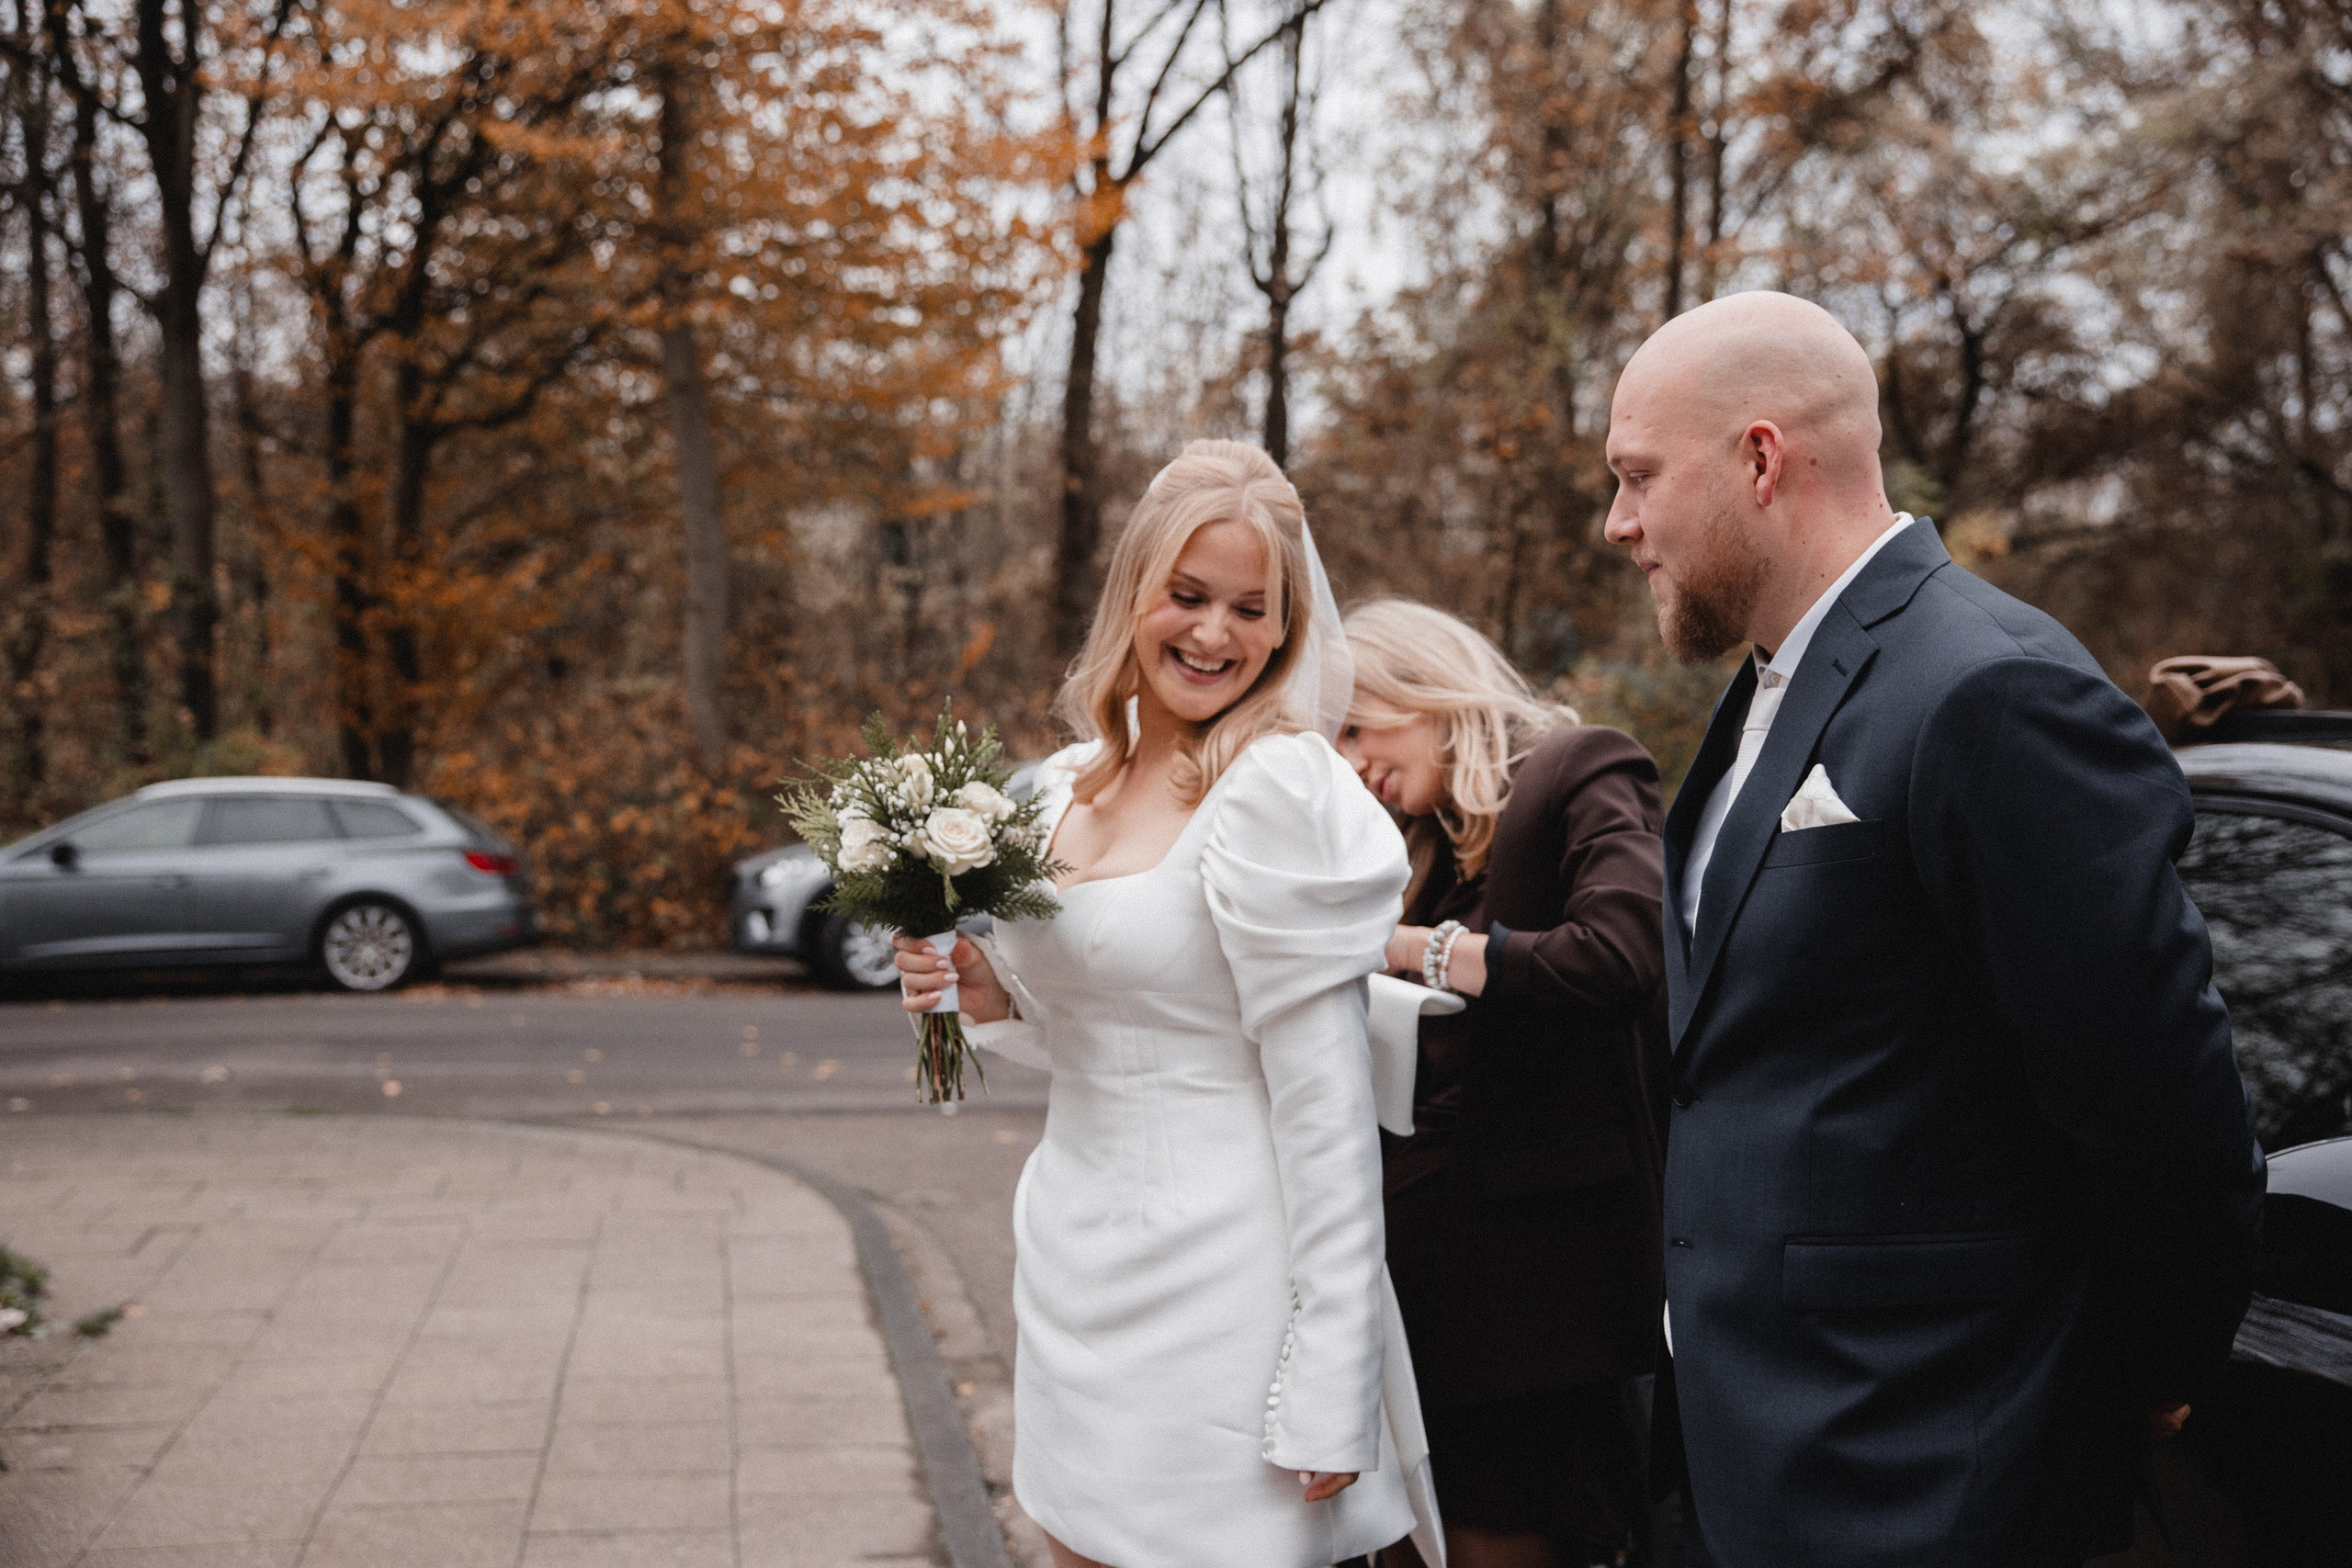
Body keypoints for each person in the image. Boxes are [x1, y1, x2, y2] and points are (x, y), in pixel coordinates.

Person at [1600, 289, 2267, 1567]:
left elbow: (2153, 1096)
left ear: (1759, 459)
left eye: (1637, 476)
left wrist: (2151, 1367)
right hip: (1752, 1451)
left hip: (1929, 1469)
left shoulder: (1989, 686)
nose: (1618, 521)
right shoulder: (1767, 686)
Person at [893, 440, 1442, 1568]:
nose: (1213, 634)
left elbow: (1327, 1110)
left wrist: (1333, 1378)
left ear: (1285, 629)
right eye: (1187, 596)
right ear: (1133, 592)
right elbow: (1105, 1024)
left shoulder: (1275, 790)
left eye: (1250, 609)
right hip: (1071, 1258)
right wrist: (986, 994)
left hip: (1222, 1287)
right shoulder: (1064, 784)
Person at [1335, 599, 1669, 1568]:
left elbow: (1622, 950)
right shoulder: (1422, 847)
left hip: (1533, 1309)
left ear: (1419, 687)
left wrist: (1417, 950)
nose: (1350, 763)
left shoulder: (1579, 768)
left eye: (1355, 726)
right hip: (1419, 1291)